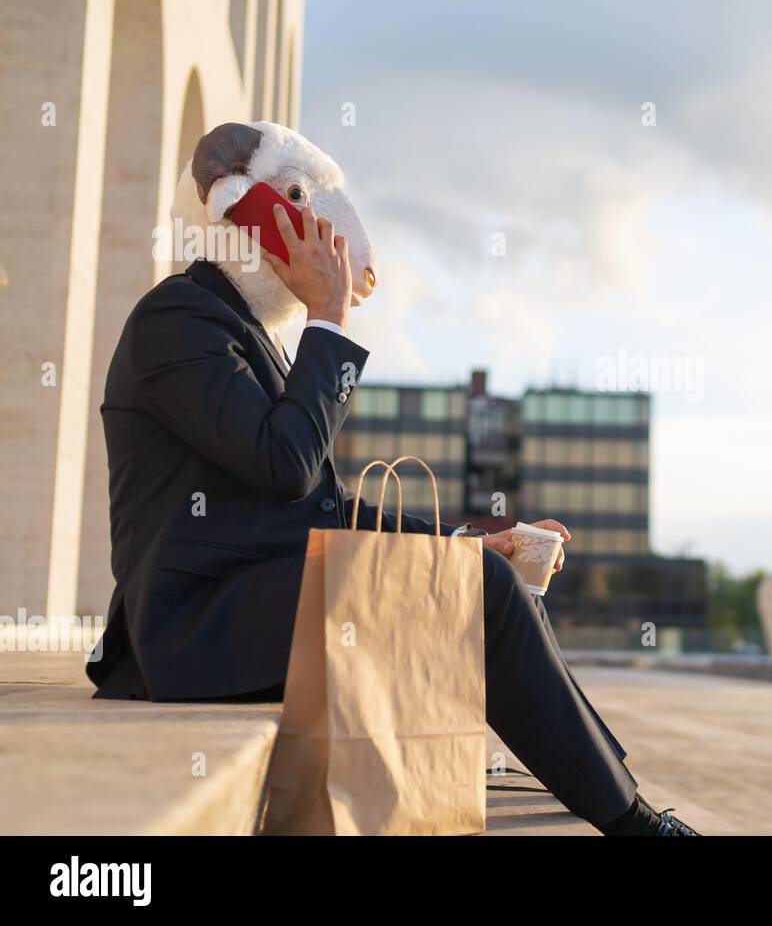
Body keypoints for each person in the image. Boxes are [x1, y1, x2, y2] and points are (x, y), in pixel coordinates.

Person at [88, 185, 697, 837]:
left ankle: (610, 788)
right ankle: (632, 822)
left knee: (500, 579)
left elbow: (330, 506)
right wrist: (328, 317)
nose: (328, 273)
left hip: (255, 600)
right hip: (196, 627)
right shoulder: (178, 316)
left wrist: (467, 539)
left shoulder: (245, 333)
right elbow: (285, 464)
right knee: (483, 589)